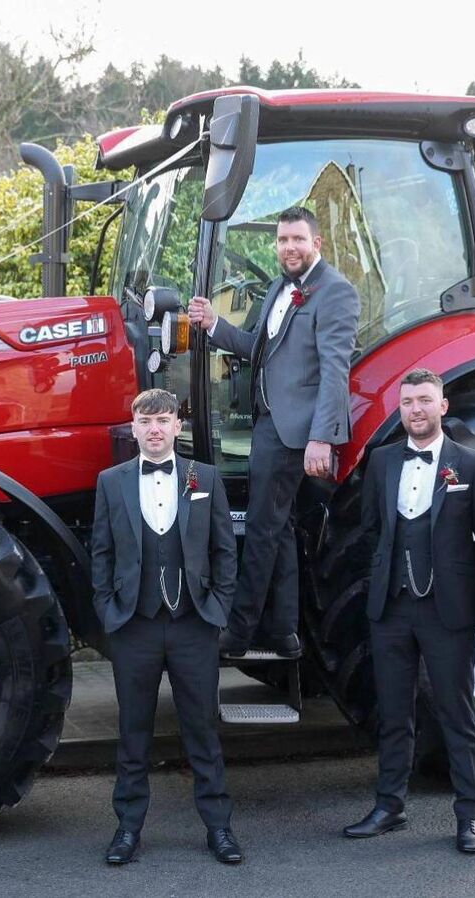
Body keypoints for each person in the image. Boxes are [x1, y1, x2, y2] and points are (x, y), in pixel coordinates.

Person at [187, 206, 359, 659]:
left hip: (296, 430)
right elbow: (254, 350)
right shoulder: (278, 289)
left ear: (316, 243)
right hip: (268, 420)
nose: (289, 248)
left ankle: (239, 634)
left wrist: (321, 437)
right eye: (283, 241)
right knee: (279, 527)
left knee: (263, 527)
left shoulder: (335, 293)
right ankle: (284, 632)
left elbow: (335, 369)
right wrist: (213, 326)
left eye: (298, 240)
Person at [343, 369, 475, 853]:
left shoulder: (470, 466)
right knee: (393, 712)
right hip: (391, 608)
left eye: (425, 401)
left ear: (442, 407)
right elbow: (371, 529)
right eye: (408, 402)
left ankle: (469, 816)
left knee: (457, 712)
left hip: (446, 610)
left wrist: (454, 577)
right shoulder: (383, 461)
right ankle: (390, 806)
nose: (416, 410)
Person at [90, 388, 242, 865]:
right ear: (133, 428)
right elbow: (101, 553)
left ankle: (219, 828)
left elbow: (224, 551)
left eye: (164, 419)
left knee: (202, 731)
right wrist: (108, 610)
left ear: (178, 426)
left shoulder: (206, 477)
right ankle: (127, 830)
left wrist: (216, 607)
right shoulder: (110, 482)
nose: (154, 429)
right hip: (133, 625)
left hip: (192, 624)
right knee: (133, 734)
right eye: (145, 421)